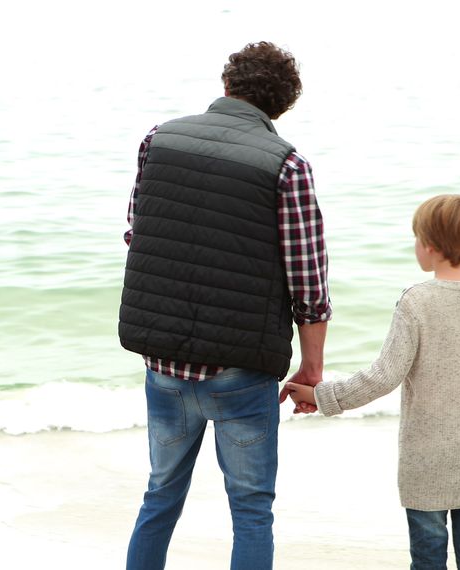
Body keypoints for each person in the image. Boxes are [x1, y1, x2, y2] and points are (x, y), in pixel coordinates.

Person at [118, 41, 331, 570]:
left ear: (228, 85)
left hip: (163, 364)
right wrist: (312, 368)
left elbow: (135, 233)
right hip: (241, 371)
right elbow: (308, 281)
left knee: (160, 495)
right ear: (281, 104)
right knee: (252, 510)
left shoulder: (157, 140)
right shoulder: (287, 166)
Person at [285, 194, 460, 570]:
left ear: (429, 246)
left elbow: (384, 375)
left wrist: (323, 395)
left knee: (427, 560)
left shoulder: (417, 301)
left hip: (426, 460)